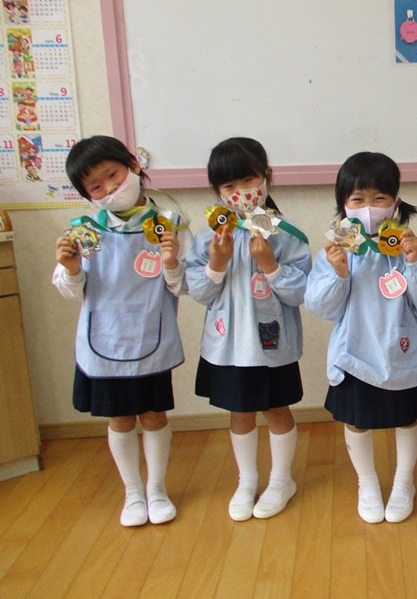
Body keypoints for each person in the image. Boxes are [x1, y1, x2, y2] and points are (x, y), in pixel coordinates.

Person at [53, 135, 191, 527]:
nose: (110, 188)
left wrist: (171, 263)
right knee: (119, 419)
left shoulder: (170, 224)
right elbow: (69, 289)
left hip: (150, 334)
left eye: (112, 174)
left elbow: (186, 286)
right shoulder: (85, 230)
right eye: (95, 186)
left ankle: (157, 490)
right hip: (104, 338)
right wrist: (71, 269)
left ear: (132, 165)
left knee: (154, 415)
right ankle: (133, 493)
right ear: (87, 195)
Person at [305, 152, 417, 524]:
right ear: (343, 205)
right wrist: (339, 272)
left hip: (402, 353)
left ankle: (403, 482)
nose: (369, 208)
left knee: (407, 418)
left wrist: (413, 261)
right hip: (354, 353)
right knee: (357, 420)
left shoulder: (411, 246)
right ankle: (366, 483)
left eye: (379, 198)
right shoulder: (337, 250)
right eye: (358, 199)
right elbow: (320, 306)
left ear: (396, 201)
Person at [185, 137, 311, 521]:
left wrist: (271, 264)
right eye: (229, 186)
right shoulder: (209, 237)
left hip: (271, 344)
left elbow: (301, 292)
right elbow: (199, 292)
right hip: (228, 345)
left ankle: (281, 480)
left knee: (277, 409)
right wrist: (216, 263)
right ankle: (247, 481)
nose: (241, 192)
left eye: (249, 180)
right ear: (217, 191)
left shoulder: (285, 233)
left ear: (267, 176)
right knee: (239, 412)